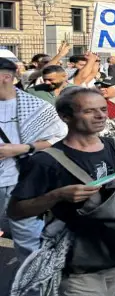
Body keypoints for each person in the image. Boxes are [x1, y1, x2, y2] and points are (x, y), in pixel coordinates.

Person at [8, 87, 115, 296]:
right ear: (65, 116)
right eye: (90, 111)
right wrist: (57, 195)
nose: (101, 115)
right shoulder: (46, 161)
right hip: (75, 263)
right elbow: (16, 211)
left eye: (103, 109)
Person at [0, 58, 67, 264]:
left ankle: (33, 289)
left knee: (29, 244)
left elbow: (59, 137)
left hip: (21, 182)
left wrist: (24, 148)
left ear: (6, 77)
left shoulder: (36, 107)